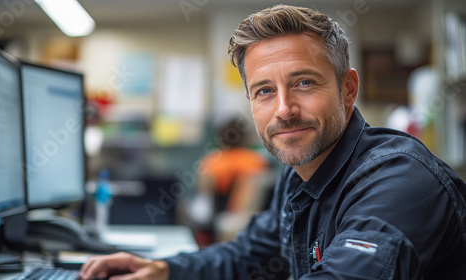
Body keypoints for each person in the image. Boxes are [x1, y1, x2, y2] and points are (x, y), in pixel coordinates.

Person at [80, 5, 466, 280]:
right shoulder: (299, 173)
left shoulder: (399, 178)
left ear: (348, 90)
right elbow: (250, 256)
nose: (284, 109)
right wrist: (165, 270)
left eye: (303, 82)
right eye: (264, 91)